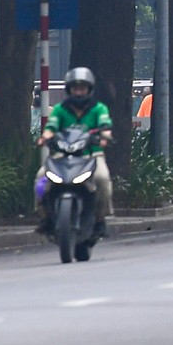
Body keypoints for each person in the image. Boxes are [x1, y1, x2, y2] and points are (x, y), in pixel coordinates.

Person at [39, 67, 113, 234]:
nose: (79, 92)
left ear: (89, 89)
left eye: (83, 88)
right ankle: (45, 216)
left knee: (102, 179)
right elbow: (51, 126)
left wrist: (104, 137)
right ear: (69, 89)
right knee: (41, 179)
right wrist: (46, 137)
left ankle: (101, 219)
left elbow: (105, 126)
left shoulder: (98, 109)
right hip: (61, 157)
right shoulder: (60, 109)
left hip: (91, 156)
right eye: (75, 88)